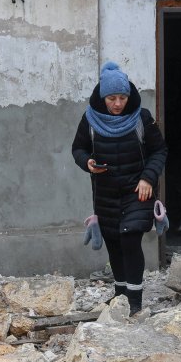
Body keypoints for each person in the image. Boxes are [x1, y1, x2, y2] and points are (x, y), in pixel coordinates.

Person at [71, 61, 167, 315]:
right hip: (106, 193)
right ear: (103, 97)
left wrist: (148, 178)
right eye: (112, 98)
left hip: (138, 191)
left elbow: (160, 150)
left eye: (122, 97)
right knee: (113, 242)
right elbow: (78, 149)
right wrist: (87, 163)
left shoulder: (141, 118)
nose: (117, 104)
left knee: (129, 239)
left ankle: (135, 303)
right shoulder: (90, 120)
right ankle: (120, 297)